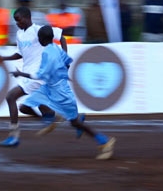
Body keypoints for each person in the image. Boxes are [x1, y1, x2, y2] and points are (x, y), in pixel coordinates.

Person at [12, 25, 116, 160]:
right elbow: (68, 60)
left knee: (74, 123)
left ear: (41, 39)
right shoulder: (55, 48)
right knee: (24, 107)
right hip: (50, 88)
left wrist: (20, 73)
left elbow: (39, 76)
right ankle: (55, 117)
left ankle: (104, 142)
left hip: (60, 92)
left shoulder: (46, 53)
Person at [0, 7, 67, 147]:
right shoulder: (20, 34)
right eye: (15, 21)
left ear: (27, 18)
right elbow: (20, 54)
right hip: (27, 74)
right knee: (26, 108)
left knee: (11, 97)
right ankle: (55, 116)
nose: (17, 23)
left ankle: (14, 136)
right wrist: (4, 58)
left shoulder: (38, 30)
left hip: (38, 74)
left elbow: (61, 36)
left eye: (19, 20)